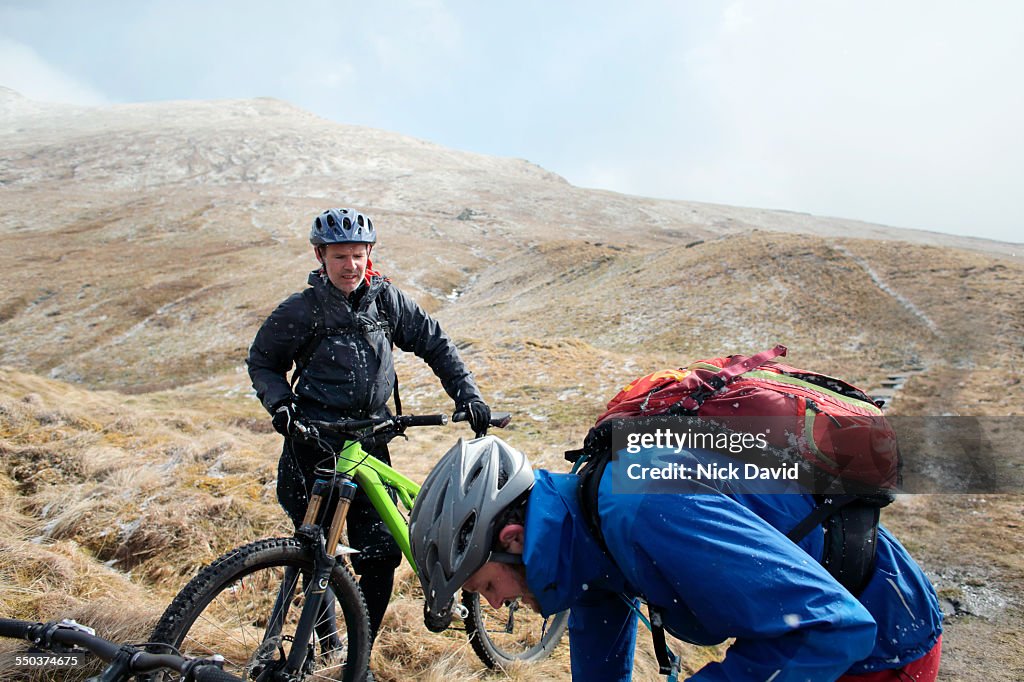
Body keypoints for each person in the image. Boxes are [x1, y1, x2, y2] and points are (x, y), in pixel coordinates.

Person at [409, 435, 944, 681]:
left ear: (513, 538)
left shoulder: (641, 509)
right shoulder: (585, 548)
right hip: (824, 634)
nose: (497, 603)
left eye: (484, 587)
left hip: (883, 646)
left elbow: (832, 629)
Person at [247, 207, 491, 643]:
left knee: (380, 556)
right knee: (317, 553)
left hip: (370, 444)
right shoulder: (302, 310)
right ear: (321, 256)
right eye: (340, 256)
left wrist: (467, 394)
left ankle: (358, 653)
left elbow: (434, 343)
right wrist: (280, 405)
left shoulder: (386, 300)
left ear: (369, 254)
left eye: (359, 255)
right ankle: (324, 647)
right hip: (313, 445)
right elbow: (263, 361)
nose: (351, 266)